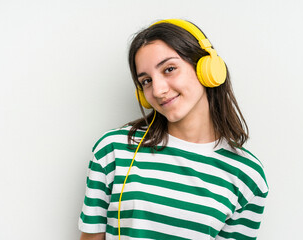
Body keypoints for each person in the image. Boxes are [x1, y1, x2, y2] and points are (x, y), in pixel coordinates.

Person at [79, 19, 268, 240]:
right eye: (147, 81)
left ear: (207, 68)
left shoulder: (247, 175)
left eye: (169, 69)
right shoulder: (113, 149)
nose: (158, 90)